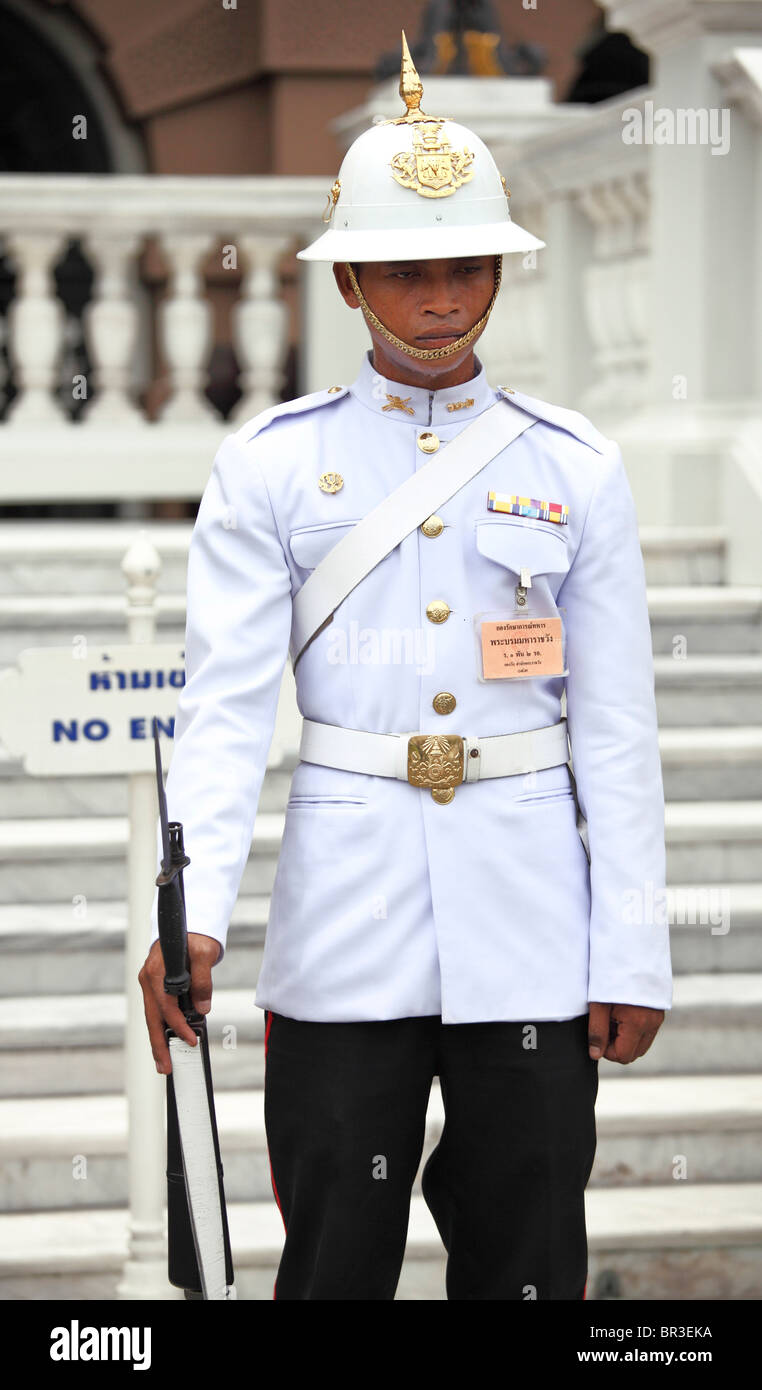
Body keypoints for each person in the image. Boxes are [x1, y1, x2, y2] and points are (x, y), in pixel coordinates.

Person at [139, 34, 672, 1301]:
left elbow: (618, 727)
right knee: (334, 1254)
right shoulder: (271, 464)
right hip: (349, 911)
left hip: (532, 917)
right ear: (351, 285)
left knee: (529, 1253)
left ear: (498, 272)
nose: (441, 297)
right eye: (407, 271)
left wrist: (632, 944)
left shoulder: (573, 463)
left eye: (466, 268)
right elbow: (221, 707)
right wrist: (193, 909)